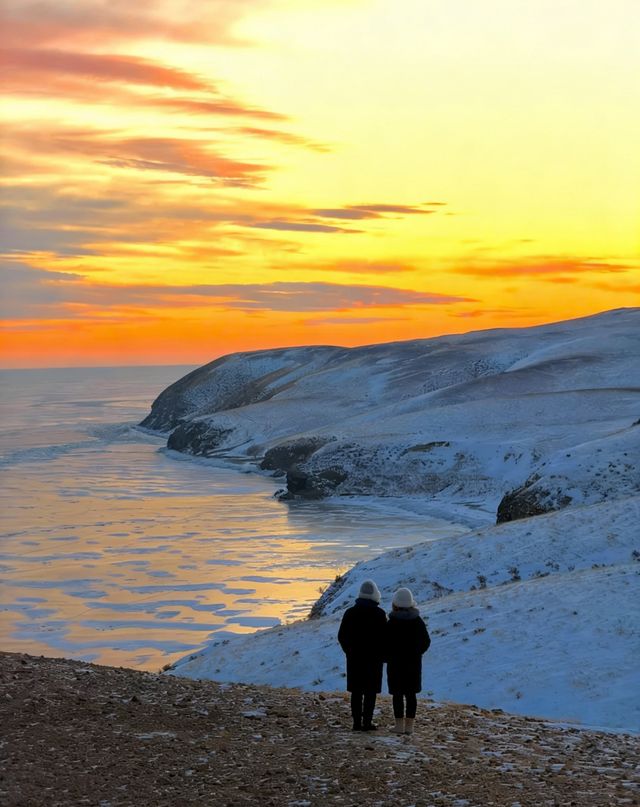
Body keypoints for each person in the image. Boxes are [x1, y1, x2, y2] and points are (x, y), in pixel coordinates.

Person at [337, 579, 387, 731]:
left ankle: (356, 722)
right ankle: (367, 722)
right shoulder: (379, 614)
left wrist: (349, 651)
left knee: (356, 692)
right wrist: (382, 654)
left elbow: (342, 636)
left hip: (355, 659)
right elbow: (386, 637)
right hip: (374, 659)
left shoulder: (350, 613)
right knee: (370, 692)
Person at [385, 587, 431, 735]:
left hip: (395, 665)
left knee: (397, 695)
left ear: (395, 604)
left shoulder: (391, 623)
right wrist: (417, 653)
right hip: (413, 664)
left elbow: (383, 643)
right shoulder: (418, 622)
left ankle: (399, 725)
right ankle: (410, 726)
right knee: (411, 695)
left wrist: (388, 656)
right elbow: (426, 641)